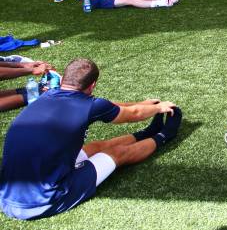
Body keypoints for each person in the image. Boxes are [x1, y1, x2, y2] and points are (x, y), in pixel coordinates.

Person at [0, 58, 183, 220]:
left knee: (95, 147)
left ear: (64, 79)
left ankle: (145, 134)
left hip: (8, 197)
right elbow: (132, 114)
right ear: (92, 85)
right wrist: (159, 108)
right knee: (117, 154)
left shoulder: (47, 95)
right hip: (45, 200)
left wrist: (142, 104)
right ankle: (165, 135)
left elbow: (109, 106)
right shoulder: (89, 105)